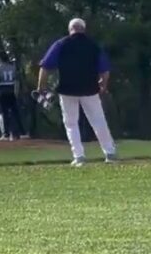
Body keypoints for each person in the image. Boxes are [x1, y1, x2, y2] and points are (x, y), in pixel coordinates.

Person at [37, 17, 118, 167]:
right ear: (84, 29)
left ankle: (79, 156)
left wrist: (41, 87)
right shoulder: (93, 45)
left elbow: (45, 66)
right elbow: (105, 70)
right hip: (90, 89)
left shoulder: (61, 44)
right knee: (98, 121)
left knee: (71, 124)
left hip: (67, 89)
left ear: (70, 29)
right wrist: (104, 84)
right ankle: (110, 153)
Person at [0, 53, 23, 141]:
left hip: (2, 92)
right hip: (11, 91)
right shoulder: (13, 67)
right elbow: (17, 81)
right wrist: (16, 92)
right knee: (15, 112)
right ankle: (21, 133)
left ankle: (6, 134)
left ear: (0, 58)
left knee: (4, 113)